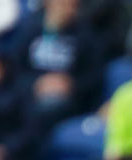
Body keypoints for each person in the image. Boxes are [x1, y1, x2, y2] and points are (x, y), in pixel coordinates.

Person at [12, 0, 100, 131]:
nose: (67, 9)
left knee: (45, 110)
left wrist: (70, 84)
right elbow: (15, 68)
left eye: (72, 5)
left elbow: (94, 76)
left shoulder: (85, 35)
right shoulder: (30, 29)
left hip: (67, 99)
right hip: (31, 93)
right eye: (61, 4)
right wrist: (36, 83)